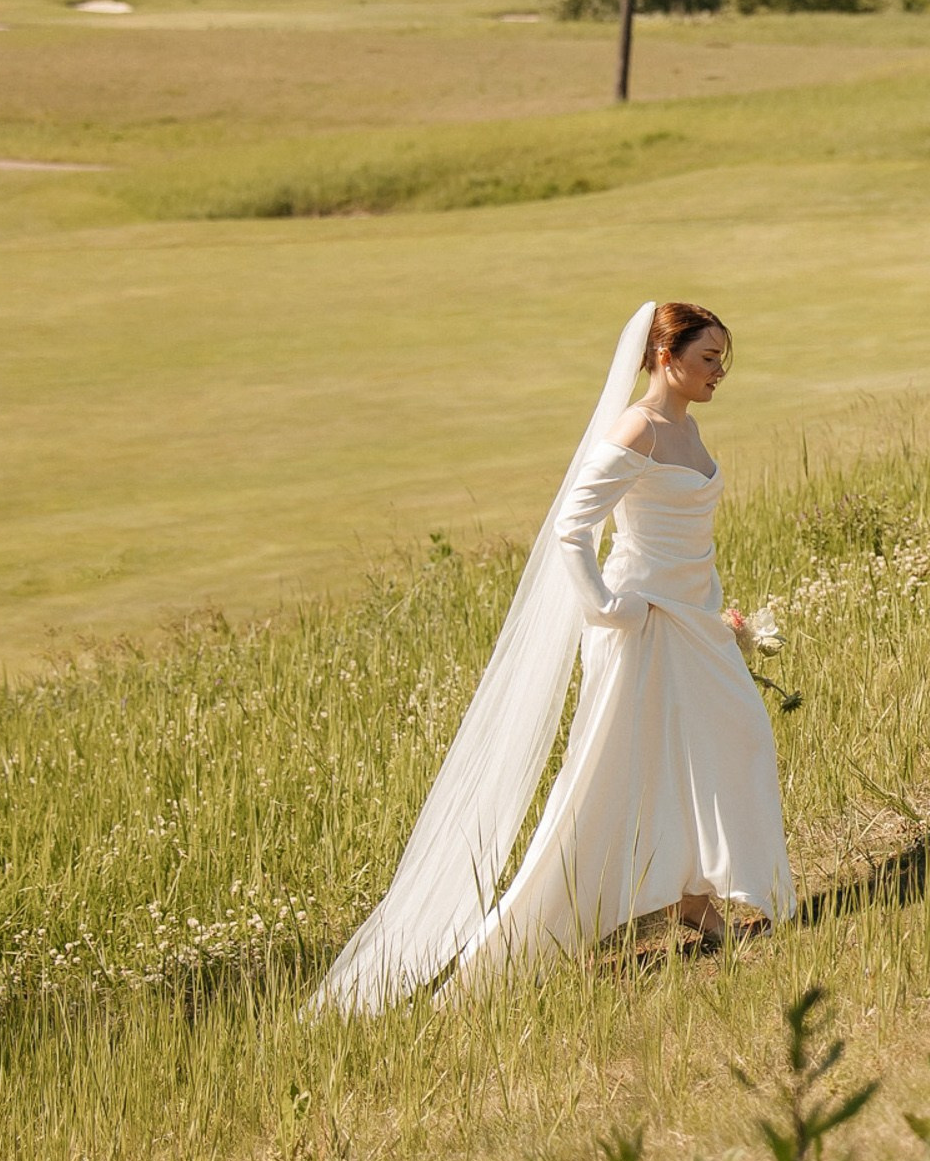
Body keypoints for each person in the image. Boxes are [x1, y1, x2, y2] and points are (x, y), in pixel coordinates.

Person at [311, 301, 792, 1015]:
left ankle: (696, 899)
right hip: (643, 626)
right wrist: (608, 608)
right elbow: (573, 528)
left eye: (725, 359)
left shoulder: (687, 428)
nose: (720, 372)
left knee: (732, 741)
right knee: (614, 777)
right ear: (667, 358)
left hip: (694, 624)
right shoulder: (638, 427)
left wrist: (719, 615)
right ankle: (522, 942)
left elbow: (692, 542)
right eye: (708, 359)